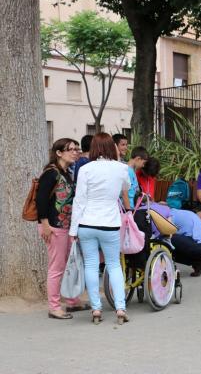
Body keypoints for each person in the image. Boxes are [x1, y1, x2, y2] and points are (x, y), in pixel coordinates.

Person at [70, 132, 131, 325]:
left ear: (94, 147)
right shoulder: (121, 168)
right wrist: (119, 160)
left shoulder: (86, 169)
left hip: (87, 223)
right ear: (112, 147)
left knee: (91, 265)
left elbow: (79, 201)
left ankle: (96, 308)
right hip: (110, 223)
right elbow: (126, 187)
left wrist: (73, 230)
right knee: (114, 265)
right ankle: (120, 308)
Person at [35, 138, 89, 320]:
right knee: (57, 268)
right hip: (53, 227)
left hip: (66, 227)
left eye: (76, 149)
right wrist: (45, 225)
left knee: (69, 264)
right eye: (70, 149)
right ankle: (54, 307)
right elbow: (40, 200)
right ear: (59, 153)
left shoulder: (66, 172)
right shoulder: (50, 173)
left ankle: (72, 301)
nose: (75, 152)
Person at [149, 203, 201, 277]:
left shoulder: (170, 216)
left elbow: (161, 235)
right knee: (169, 245)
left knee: (165, 242)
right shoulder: (177, 212)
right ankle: (198, 263)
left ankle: (167, 271)